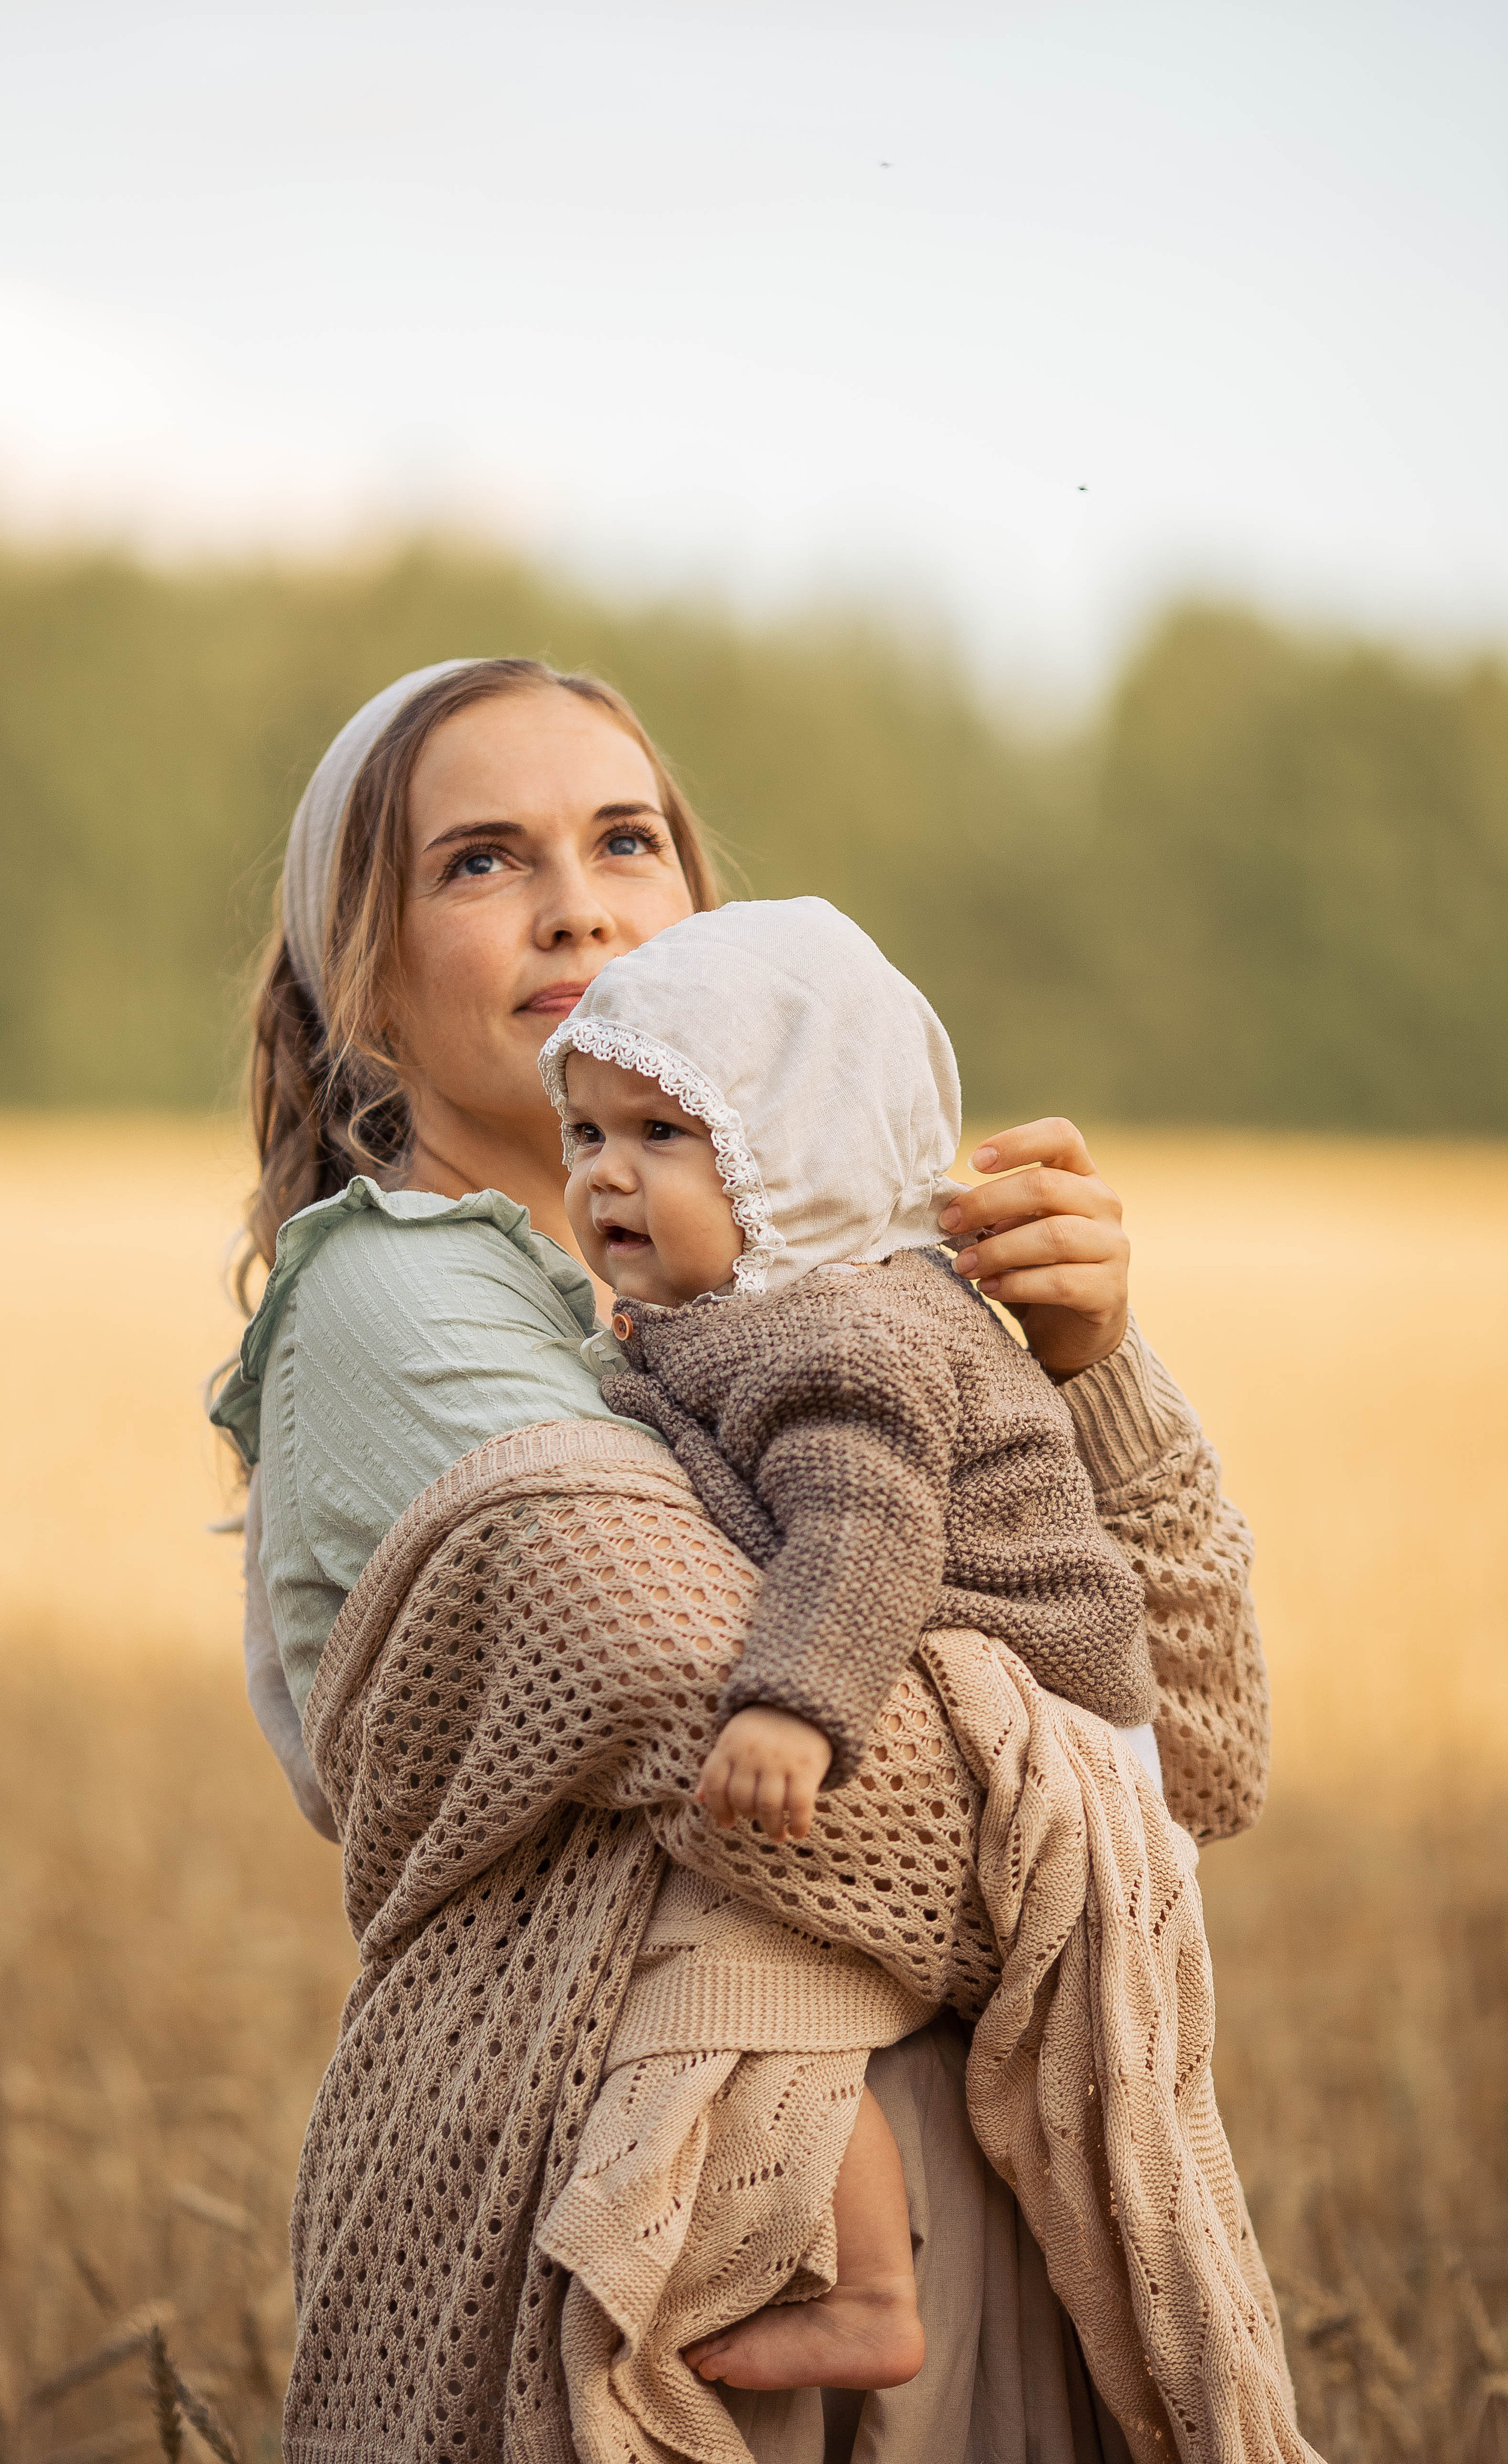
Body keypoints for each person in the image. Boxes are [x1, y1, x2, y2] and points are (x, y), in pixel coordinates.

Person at [217, 656, 1276, 2464]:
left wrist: (1089, 1376)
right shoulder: (402, 1299)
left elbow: (1197, 1752)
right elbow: (909, 1836)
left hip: (964, 2199)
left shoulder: (811, 1309)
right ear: (360, 979)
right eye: (480, 862)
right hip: (675, 2236)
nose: (578, 905)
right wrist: (1077, 1777)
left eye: (626, 839)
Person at [542, 893, 1163, 2397]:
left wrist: (794, 1707)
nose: (608, 1174)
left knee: (757, 1974)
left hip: (1034, 1702)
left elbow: (864, 1528)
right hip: (951, 1670)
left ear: (791, 1152)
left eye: (665, 1137)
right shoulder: (761, 1306)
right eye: (586, 1134)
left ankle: (870, 2289)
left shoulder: (841, 1333)